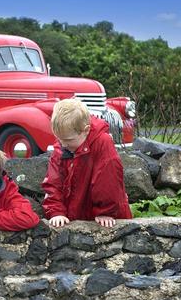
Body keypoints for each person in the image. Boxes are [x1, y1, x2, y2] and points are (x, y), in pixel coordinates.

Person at [41, 98, 132, 228]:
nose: (63, 144)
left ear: (86, 130)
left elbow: (108, 179)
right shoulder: (63, 145)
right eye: (59, 139)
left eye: (68, 140)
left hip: (105, 218)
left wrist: (105, 211)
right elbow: (53, 182)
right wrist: (56, 211)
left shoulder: (102, 143)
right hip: (74, 216)